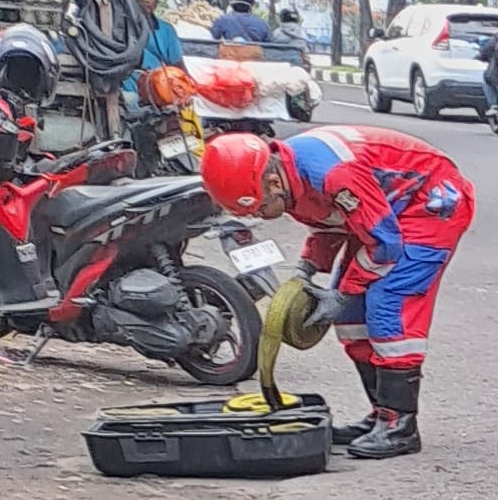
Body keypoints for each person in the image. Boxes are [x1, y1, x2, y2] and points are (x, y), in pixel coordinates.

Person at [200, 123, 470, 460]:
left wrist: (341, 293)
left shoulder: (335, 174)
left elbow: (384, 245)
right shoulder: (286, 175)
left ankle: (400, 425)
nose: (258, 215)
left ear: (272, 184)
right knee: (351, 317)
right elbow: (329, 223)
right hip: (383, 210)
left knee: (388, 304)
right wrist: (306, 271)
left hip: (429, 202)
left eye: (257, 208)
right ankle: (381, 414)